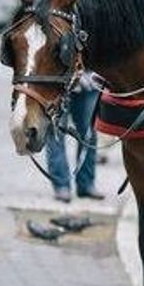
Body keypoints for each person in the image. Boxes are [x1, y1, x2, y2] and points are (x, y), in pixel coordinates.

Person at [45, 72, 104, 202]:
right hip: (58, 81)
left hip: (90, 82)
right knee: (56, 132)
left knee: (89, 134)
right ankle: (61, 185)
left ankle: (86, 184)